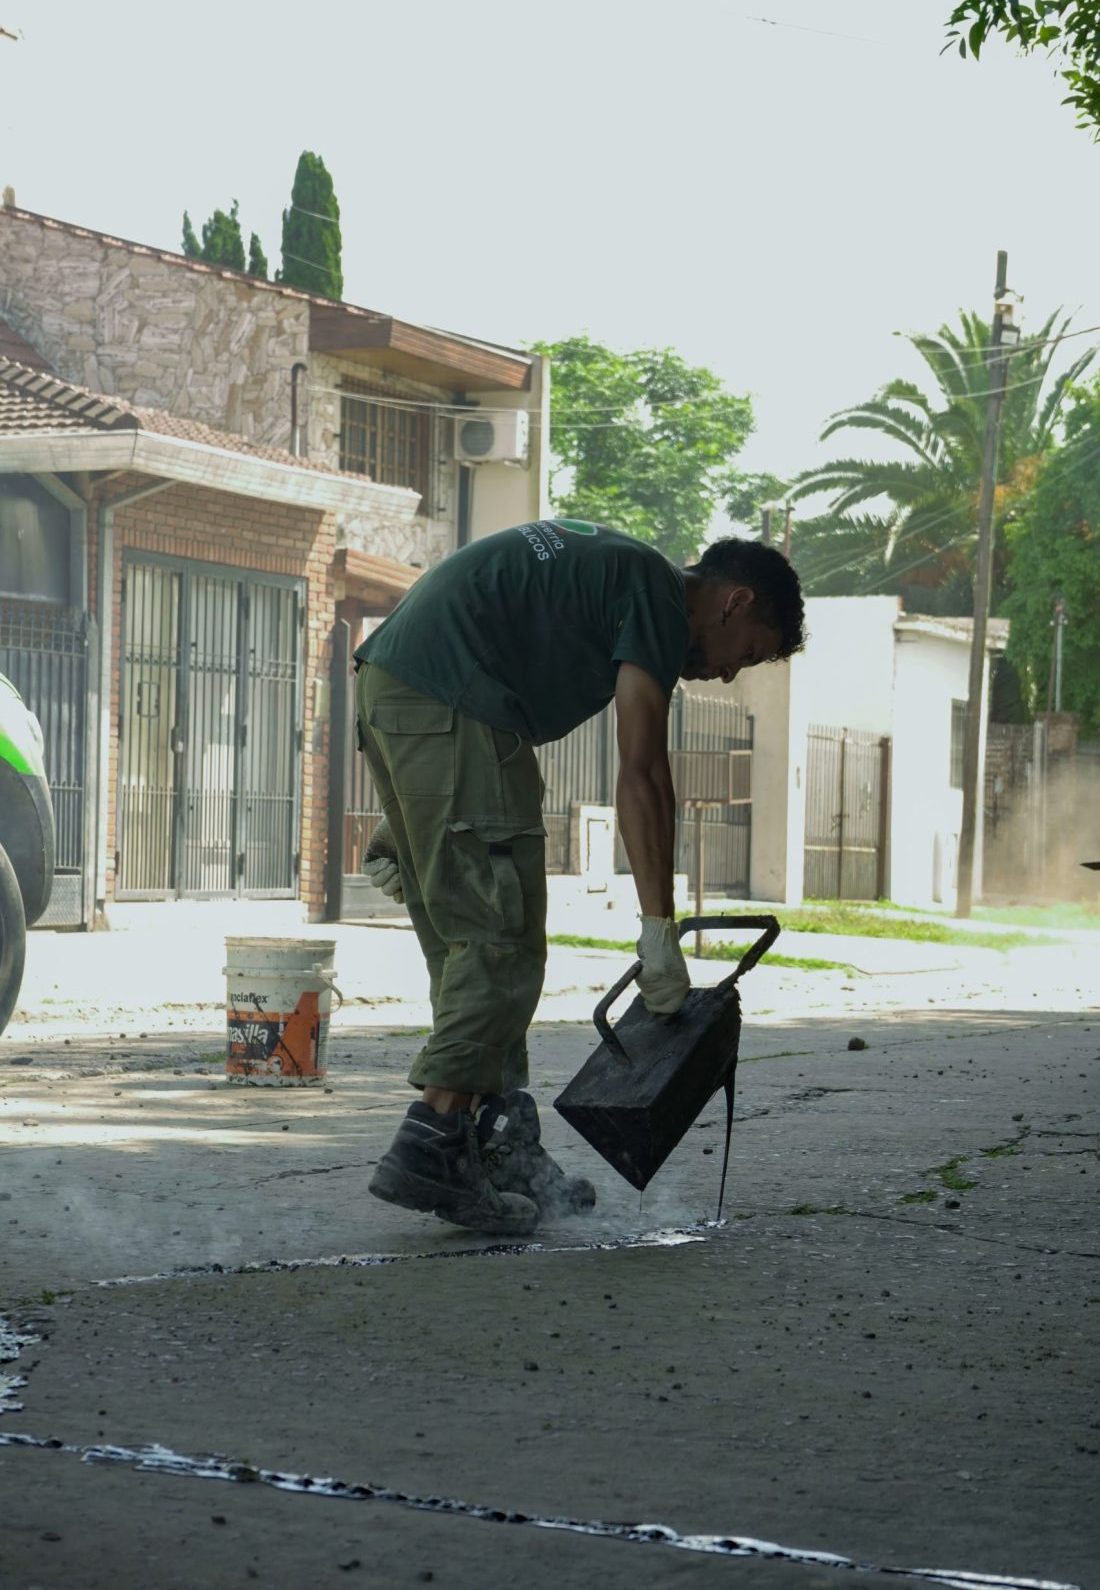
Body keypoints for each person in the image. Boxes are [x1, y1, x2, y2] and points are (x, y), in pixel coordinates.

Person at [355, 517, 804, 1236]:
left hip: (405, 688)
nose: (724, 674)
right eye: (743, 656)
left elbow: (487, 637)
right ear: (735, 602)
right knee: (497, 941)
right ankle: (433, 1140)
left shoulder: (617, 576)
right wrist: (659, 929)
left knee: (481, 938)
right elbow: (645, 771)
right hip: (449, 699)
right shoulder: (658, 596)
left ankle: (498, 1144)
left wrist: (408, 816)